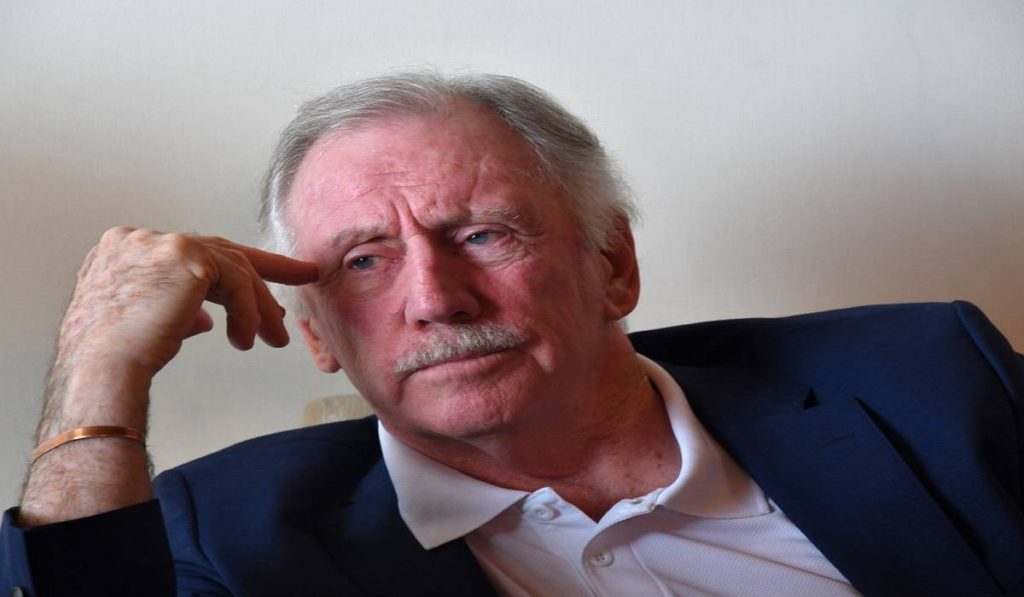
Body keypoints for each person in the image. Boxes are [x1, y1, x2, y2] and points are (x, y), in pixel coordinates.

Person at [2, 72, 1022, 597]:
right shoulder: (227, 533)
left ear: (612, 264)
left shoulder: (928, 377)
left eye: (482, 235)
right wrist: (99, 367)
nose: (436, 299)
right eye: (365, 261)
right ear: (318, 334)